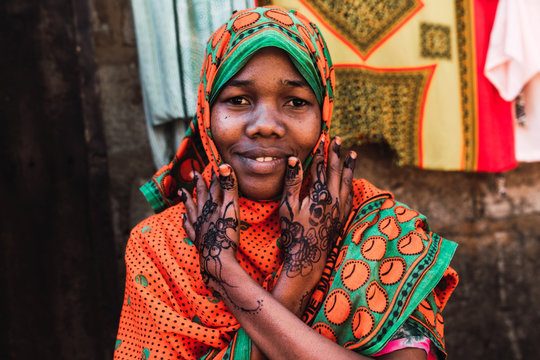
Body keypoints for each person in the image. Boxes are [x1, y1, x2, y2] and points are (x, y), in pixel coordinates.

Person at [114, 6, 458, 360]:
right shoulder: (161, 247)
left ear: (323, 113)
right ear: (206, 114)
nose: (265, 125)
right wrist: (299, 280)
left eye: (295, 102)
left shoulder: (376, 229)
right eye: (238, 100)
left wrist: (225, 275)